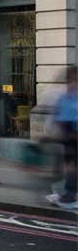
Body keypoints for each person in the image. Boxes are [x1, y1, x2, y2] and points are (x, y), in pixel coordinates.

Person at [47, 66, 78, 209]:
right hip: (68, 134)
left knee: (71, 166)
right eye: (70, 80)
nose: (72, 83)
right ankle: (69, 191)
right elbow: (57, 115)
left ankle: (70, 192)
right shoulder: (64, 97)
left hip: (72, 133)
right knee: (69, 166)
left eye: (74, 80)